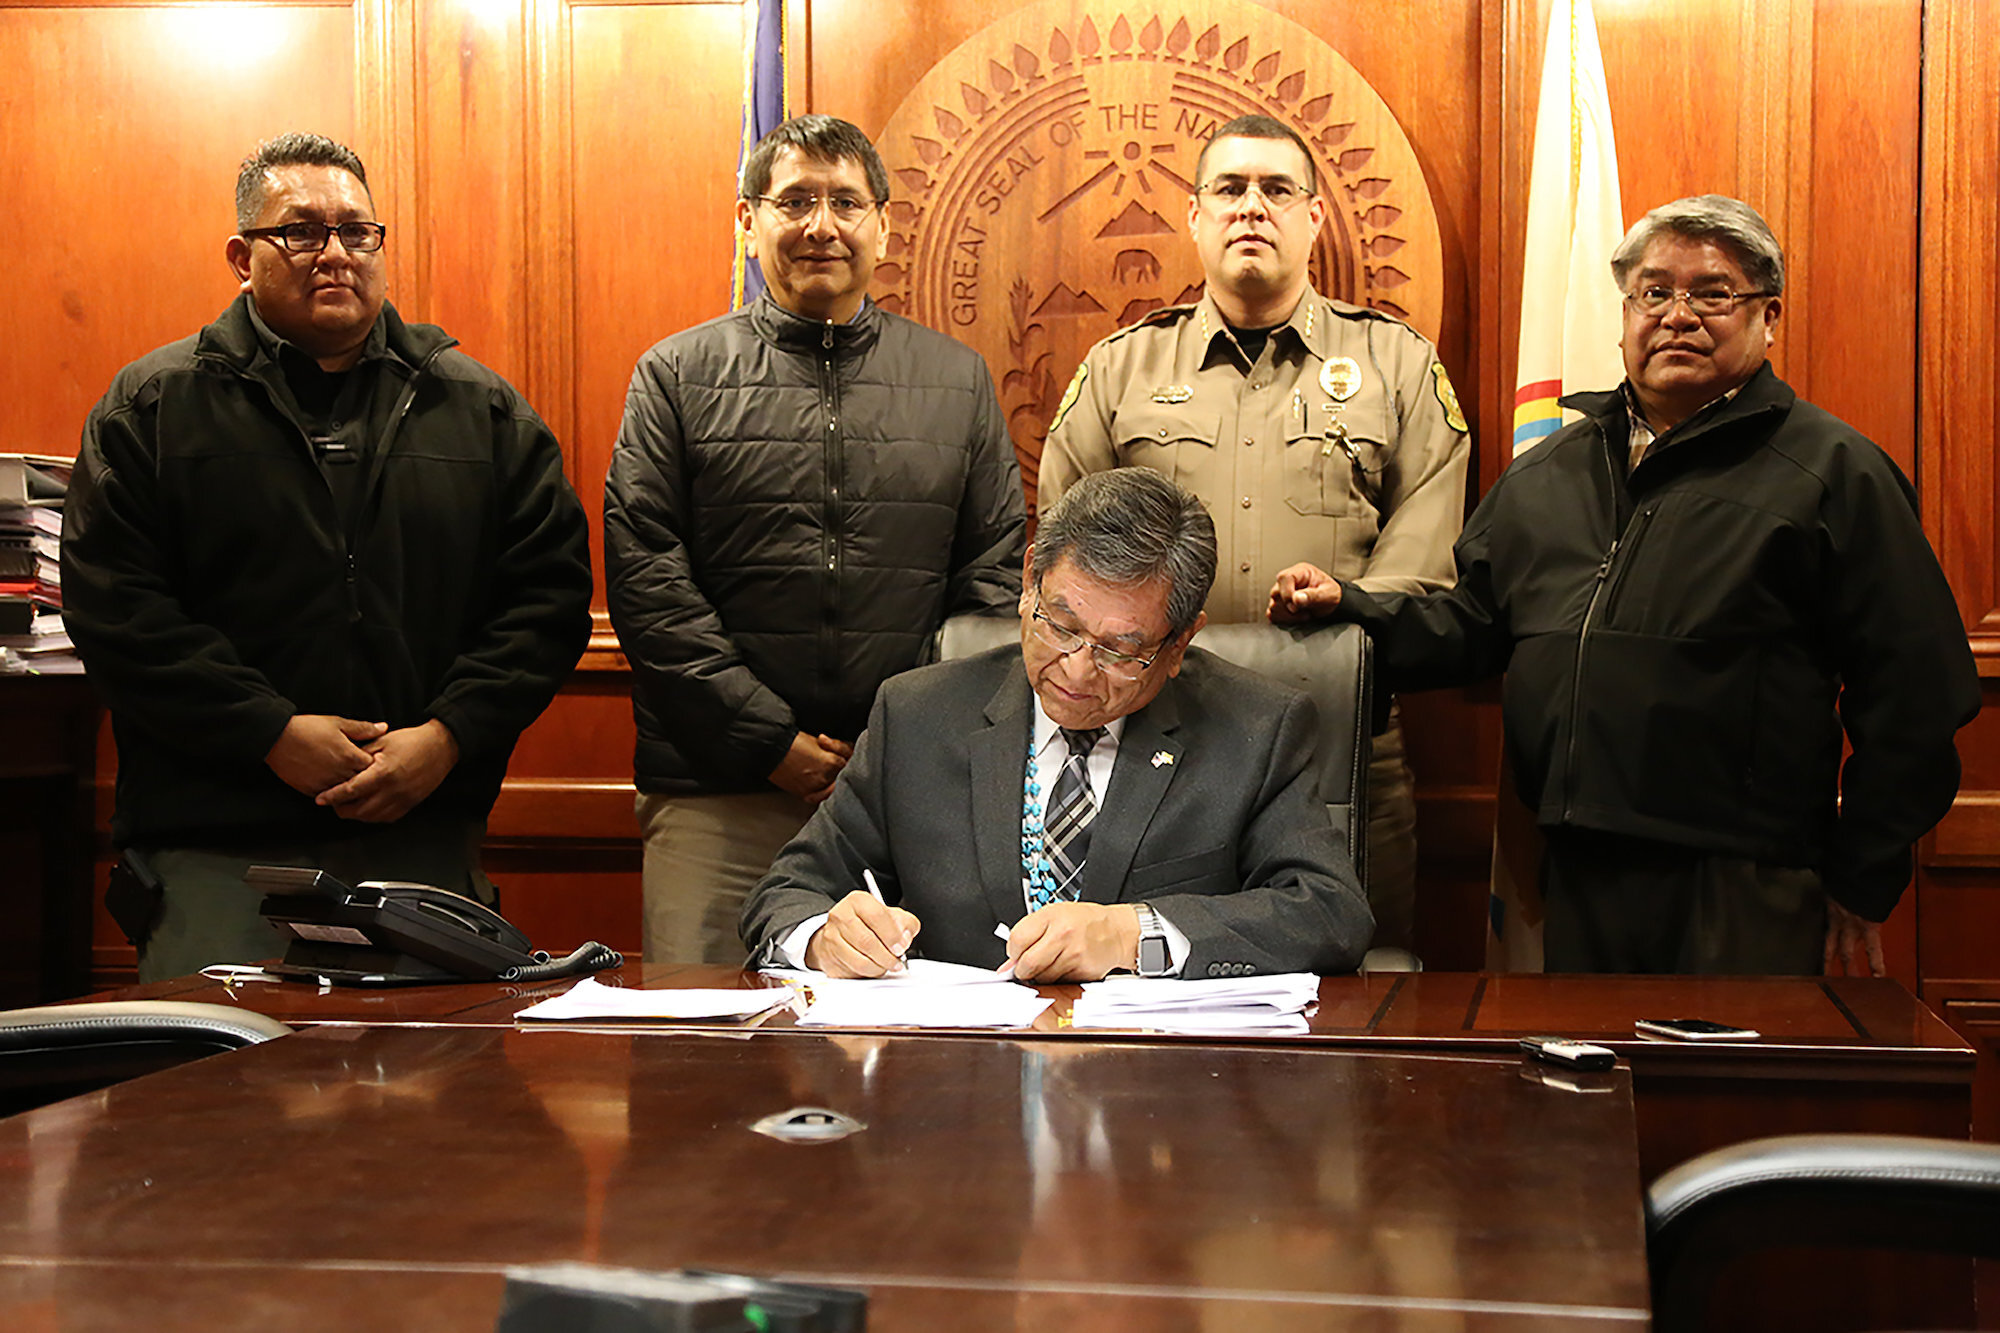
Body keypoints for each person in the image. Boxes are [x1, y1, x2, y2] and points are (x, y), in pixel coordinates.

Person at [1270, 194, 1978, 975]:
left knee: (1718, 1100)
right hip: (1572, 871)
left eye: (1712, 293)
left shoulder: (1833, 473)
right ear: (1624, 314)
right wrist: (1354, 606)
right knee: (1584, 1092)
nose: (1678, 314)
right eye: (1654, 291)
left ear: (1768, 315)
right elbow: (1477, 625)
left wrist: (1864, 873)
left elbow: (1917, 696)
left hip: (1741, 883)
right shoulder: (1550, 471)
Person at [63, 132, 593, 982]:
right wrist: (267, 730)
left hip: (419, 837)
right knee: (222, 1105)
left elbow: (548, 600)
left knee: (427, 1104)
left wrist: (449, 736)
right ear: (243, 256)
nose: (335, 253)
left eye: (357, 231)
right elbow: (115, 608)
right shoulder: (152, 407)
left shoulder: (483, 410)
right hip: (216, 851)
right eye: (300, 232)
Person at [1038, 114, 1469, 952]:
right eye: (1229, 189)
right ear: (1196, 219)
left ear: (1313, 218)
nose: (1251, 208)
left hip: (1335, 742)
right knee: (1143, 987)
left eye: (1276, 189)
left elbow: (1429, 554)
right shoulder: (1122, 368)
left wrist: (1351, 600)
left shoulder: (1397, 366)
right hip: (1146, 745)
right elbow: (1065, 552)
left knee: (1352, 990)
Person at [605, 115, 1027, 966]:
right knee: (707, 1051)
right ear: (748, 219)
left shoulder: (957, 380)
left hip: (907, 792)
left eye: (844, 201)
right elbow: (648, 581)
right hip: (717, 792)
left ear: (883, 223)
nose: (820, 225)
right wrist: (768, 741)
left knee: (904, 1065)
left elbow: (992, 576)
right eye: (794, 200)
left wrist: (893, 738)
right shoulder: (676, 376)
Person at [741, 468, 1373, 981]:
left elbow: (1329, 912)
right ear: (1027, 584)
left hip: (1162, 1101)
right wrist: (825, 936)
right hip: (953, 1092)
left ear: (1180, 644)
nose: (1074, 669)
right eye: (1060, 625)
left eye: (1119, 650)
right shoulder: (918, 715)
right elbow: (788, 891)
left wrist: (1135, 933)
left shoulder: (1255, 728)